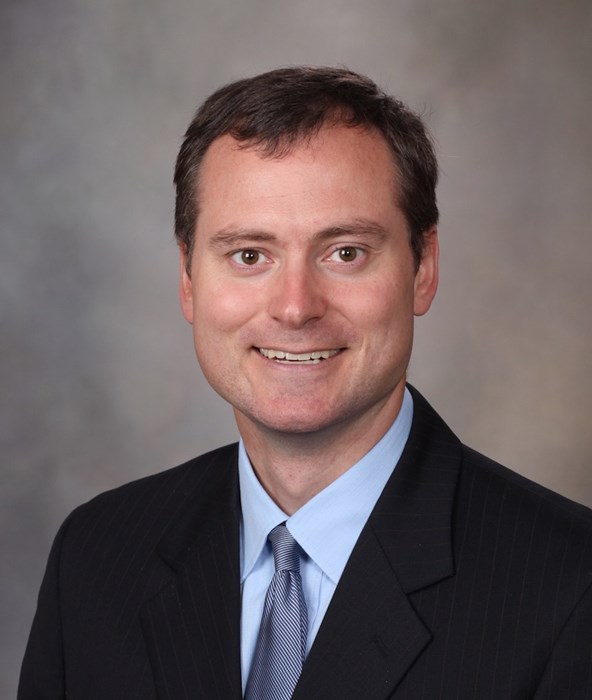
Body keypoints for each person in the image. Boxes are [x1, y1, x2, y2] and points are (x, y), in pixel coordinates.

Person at [19, 66, 592, 699]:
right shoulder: (96, 557)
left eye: (345, 252)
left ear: (424, 267)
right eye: (249, 255)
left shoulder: (570, 587)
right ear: (187, 278)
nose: (295, 308)